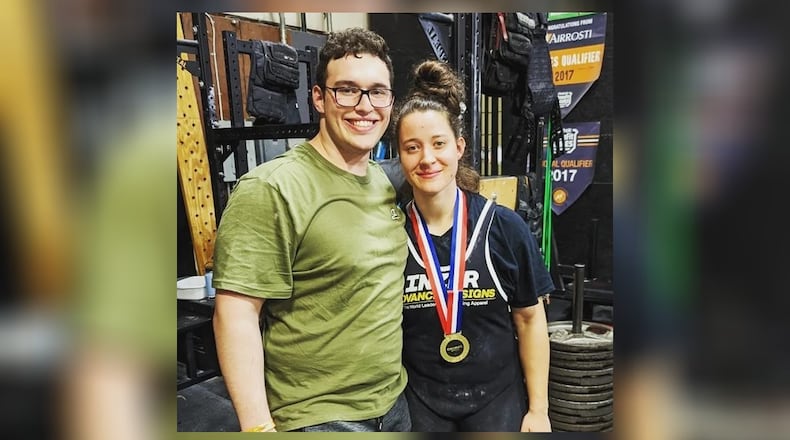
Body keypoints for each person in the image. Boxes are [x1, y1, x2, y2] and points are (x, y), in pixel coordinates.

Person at [211, 28, 410, 433]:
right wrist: (258, 428)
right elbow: (236, 315)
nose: (365, 106)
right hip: (318, 418)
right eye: (347, 90)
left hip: (394, 403)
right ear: (318, 98)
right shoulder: (272, 188)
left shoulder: (385, 183)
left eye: (377, 92)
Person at [393, 60, 554, 432]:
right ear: (400, 156)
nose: (427, 159)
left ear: (459, 146)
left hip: (496, 400)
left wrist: (539, 410)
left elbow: (530, 320)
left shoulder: (504, 228)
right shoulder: (389, 235)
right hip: (420, 402)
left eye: (438, 144)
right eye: (412, 147)